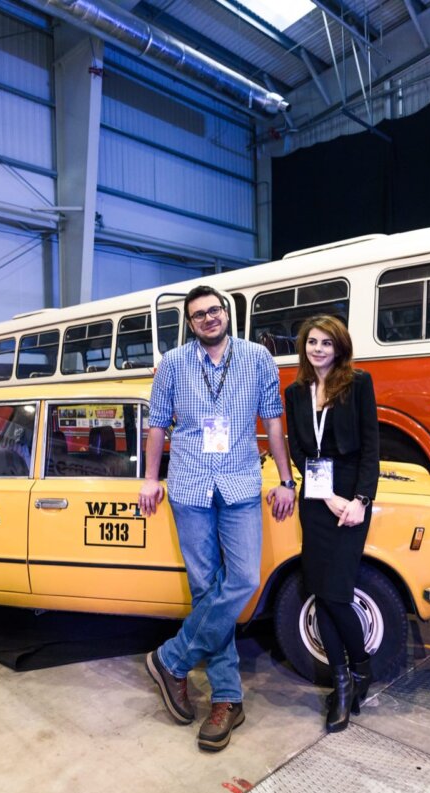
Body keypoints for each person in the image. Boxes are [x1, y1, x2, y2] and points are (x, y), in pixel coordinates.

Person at [139, 285, 297, 753]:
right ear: (189, 323)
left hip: (242, 484)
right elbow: (156, 425)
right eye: (199, 315)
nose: (208, 319)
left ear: (226, 314)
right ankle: (227, 698)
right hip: (188, 486)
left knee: (244, 578)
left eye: (214, 311)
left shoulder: (258, 359)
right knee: (207, 589)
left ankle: (172, 659)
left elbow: (273, 423)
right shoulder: (171, 364)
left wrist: (286, 480)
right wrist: (151, 478)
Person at [283, 315, 379, 733]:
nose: (318, 349)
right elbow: (301, 450)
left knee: (337, 594)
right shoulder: (294, 392)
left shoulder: (358, 384)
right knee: (321, 593)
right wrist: (327, 496)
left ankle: (360, 670)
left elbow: (371, 448)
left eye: (326, 342)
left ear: (339, 347)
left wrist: (359, 500)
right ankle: (343, 681)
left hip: (352, 499)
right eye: (312, 342)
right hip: (318, 499)